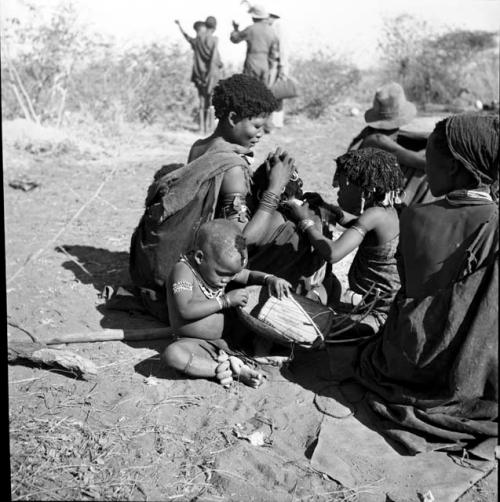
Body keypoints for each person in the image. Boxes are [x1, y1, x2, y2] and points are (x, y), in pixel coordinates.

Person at [352, 112, 498, 453]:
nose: (423, 168)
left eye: (429, 160)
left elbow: (411, 290)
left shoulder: (416, 217)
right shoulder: (493, 224)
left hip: (406, 360)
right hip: (472, 371)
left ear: (453, 169)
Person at [130, 74, 319, 322]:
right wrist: (274, 187)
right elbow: (242, 240)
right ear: (232, 118)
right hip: (209, 265)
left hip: (186, 256)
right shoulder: (232, 168)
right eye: (257, 126)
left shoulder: (199, 147)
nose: (262, 133)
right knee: (293, 231)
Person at [285, 148, 406, 337]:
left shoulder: (374, 215)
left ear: (364, 189)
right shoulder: (389, 211)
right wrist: (328, 207)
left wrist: (305, 222)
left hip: (378, 314)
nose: (338, 190)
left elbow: (333, 253)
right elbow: (356, 224)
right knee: (331, 286)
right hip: (382, 306)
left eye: (342, 186)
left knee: (307, 328)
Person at [162, 219, 292, 387]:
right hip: (198, 342)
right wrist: (225, 300)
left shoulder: (222, 268)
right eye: (223, 274)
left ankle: (249, 356)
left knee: (264, 314)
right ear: (200, 257)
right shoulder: (183, 271)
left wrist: (270, 279)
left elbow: (248, 275)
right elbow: (184, 310)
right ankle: (222, 369)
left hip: (230, 338)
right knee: (173, 355)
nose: (228, 279)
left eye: (233, 274)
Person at [342, 82, 436, 215]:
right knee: (428, 173)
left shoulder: (374, 133)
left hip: (370, 196)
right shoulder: (376, 141)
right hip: (362, 203)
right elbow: (422, 162)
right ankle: (413, 216)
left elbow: (414, 137)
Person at [175, 17, 223, 133]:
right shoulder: (214, 39)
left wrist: (179, 26)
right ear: (214, 27)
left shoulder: (197, 40)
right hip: (212, 75)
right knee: (212, 103)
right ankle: (210, 129)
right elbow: (215, 60)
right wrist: (219, 65)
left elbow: (187, 37)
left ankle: (202, 129)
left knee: (202, 101)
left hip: (199, 75)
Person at [230, 4, 279, 87]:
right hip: (265, 64)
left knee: (249, 91)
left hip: (252, 62)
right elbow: (273, 54)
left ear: (254, 17)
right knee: (262, 93)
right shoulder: (272, 31)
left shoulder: (251, 29)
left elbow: (235, 39)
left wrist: (235, 29)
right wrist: (269, 66)